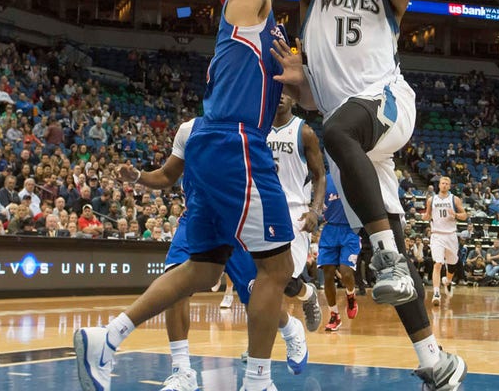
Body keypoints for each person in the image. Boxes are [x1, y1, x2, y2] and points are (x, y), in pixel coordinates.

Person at [76, 0, 306, 391]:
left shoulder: (268, 37)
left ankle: (107, 339)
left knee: (202, 268)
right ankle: (256, 380)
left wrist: (297, 81)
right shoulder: (246, 8)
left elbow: (304, 100)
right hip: (234, 145)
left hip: (214, 143)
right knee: (276, 269)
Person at [272, 0, 465, 388]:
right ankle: (435, 361)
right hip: (352, 141)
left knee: (335, 131)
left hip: (385, 108)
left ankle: (382, 250)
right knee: (397, 258)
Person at [118, 118, 309, 391]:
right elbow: (166, 175)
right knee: (174, 280)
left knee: (256, 293)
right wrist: (137, 176)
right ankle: (182, 370)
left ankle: (289, 329)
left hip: (239, 217)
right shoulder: (188, 129)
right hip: (199, 215)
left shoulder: (248, 130)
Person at [266, 94, 325, 332]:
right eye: (275, 90)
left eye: (286, 92)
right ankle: (259, 344)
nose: (279, 96)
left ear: (294, 101)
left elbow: (320, 175)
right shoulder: (258, 129)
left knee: (287, 281)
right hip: (264, 211)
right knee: (261, 280)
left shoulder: (304, 132)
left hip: (295, 212)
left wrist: (315, 211)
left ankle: (308, 293)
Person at [317, 172, 361, 332]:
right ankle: (334, 315)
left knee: (346, 272)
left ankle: (351, 295)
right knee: (327, 274)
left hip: (350, 231)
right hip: (330, 229)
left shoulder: (355, 175)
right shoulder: (324, 179)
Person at [424, 176, 467, 306]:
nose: (444, 185)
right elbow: (427, 215)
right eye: (442, 183)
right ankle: (436, 293)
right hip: (436, 235)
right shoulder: (431, 200)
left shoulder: (455, 199)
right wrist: (425, 216)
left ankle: (447, 281)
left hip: (451, 235)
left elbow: (464, 216)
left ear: (449, 186)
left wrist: (455, 214)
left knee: (452, 264)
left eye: (446, 183)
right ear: (439, 185)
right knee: (437, 263)